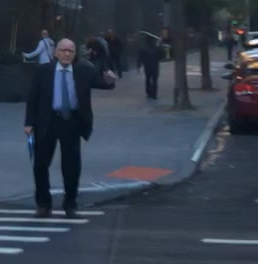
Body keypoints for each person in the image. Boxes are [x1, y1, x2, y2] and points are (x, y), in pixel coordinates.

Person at [22, 38, 116, 218]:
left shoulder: (84, 71)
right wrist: (29, 122)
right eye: (63, 50)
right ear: (56, 53)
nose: (66, 54)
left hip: (72, 122)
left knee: (71, 167)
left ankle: (70, 204)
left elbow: (103, 82)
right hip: (47, 122)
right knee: (41, 165)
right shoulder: (43, 71)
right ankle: (43, 204)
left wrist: (110, 80)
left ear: (74, 54)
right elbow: (33, 97)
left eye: (70, 51)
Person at [138, 34, 161, 100]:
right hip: (155, 66)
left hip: (147, 67)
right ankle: (154, 94)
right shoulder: (156, 48)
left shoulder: (143, 48)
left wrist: (139, 65)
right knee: (154, 81)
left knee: (147, 79)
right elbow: (160, 56)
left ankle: (148, 92)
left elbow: (140, 57)